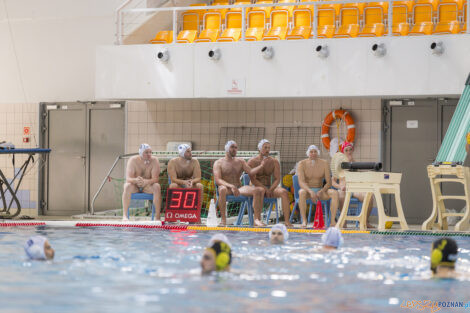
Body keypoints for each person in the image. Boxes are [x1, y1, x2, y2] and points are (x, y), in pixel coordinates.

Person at [213, 140, 266, 226]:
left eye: (236, 147)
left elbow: (251, 172)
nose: (235, 149)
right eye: (232, 147)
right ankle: (223, 220)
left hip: (239, 188)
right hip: (227, 189)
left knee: (258, 190)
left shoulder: (240, 161)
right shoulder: (218, 163)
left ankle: (256, 220)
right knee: (221, 189)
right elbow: (218, 180)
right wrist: (231, 186)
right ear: (226, 148)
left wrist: (261, 166)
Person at [248, 139, 292, 227]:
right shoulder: (252, 161)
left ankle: (287, 221)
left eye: (269, 148)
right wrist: (265, 189)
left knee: (283, 192)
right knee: (260, 190)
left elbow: (277, 179)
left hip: (269, 187)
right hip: (256, 187)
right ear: (260, 149)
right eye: (265, 148)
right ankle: (257, 220)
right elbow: (253, 180)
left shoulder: (274, 161)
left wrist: (270, 189)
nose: (268, 150)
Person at [332, 141, 374, 228]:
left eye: (350, 150)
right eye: (346, 150)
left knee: (369, 196)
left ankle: (365, 221)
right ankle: (343, 221)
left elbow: (359, 178)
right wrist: (340, 186)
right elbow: (333, 181)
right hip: (344, 189)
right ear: (343, 152)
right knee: (341, 194)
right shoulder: (339, 165)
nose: (349, 152)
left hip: (355, 189)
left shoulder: (355, 164)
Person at [297, 145, 339, 228]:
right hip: (308, 191)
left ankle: (332, 221)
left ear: (318, 153)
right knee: (301, 192)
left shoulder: (324, 163)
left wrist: (322, 190)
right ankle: (304, 220)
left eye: (315, 151)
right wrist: (310, 191)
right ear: (308, 153)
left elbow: (329, 182)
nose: (313, 153)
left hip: (320, 191)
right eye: (311, 152)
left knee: (334, 193)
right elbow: (301, 182)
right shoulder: (302, 164)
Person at [122, 143, 161, 221]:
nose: (149, 154)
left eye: (150, 152)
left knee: (157, 186)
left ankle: (157, 217)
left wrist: (146, 182)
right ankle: (125, 215)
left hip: (147, 186)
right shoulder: (133, 160)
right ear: (140, 153)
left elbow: (156, 179)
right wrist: (136, 180)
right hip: (135, 186)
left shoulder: (154, 160)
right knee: (127, 186)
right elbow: (128, 179)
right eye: (146, 152)